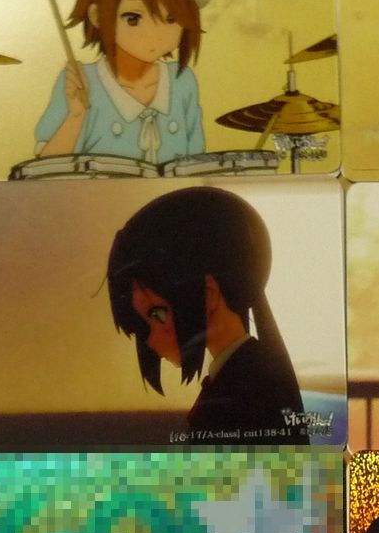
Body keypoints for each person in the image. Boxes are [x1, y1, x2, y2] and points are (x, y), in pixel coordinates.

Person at [105, 186, 306, 443]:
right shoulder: (245, 374)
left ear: (209, 294)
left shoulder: (247, 389)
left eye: (158, 315)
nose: (151, 341)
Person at [35, 0, 211, 166]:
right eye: (133, 17)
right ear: (97, 15)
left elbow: (197, 161)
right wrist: (76, 116)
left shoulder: (182, 83)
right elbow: (45, 170)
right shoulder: (80, 82)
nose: (155, 33)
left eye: (172, 18)